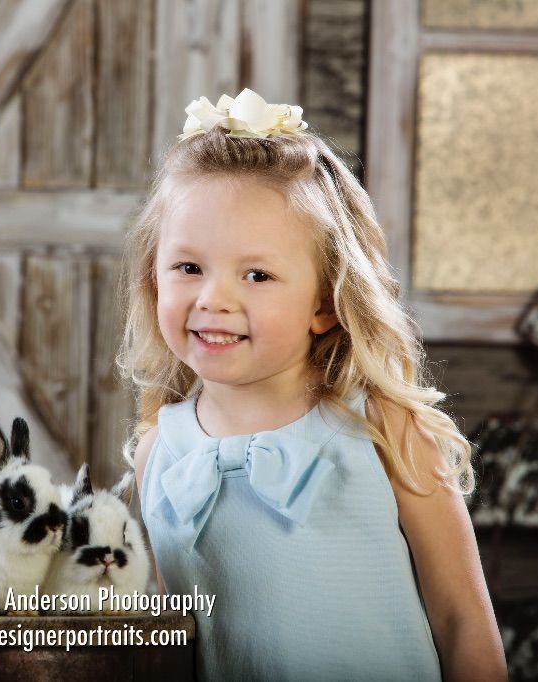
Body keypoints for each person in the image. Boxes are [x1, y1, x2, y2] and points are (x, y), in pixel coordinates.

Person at [118, 88, 507, 681]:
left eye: (257, 274)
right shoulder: (160, 455)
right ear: (153, 278)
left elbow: (462, 621)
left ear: (325, 303)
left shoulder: (381, 430)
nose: (213, 299)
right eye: (188, 267)